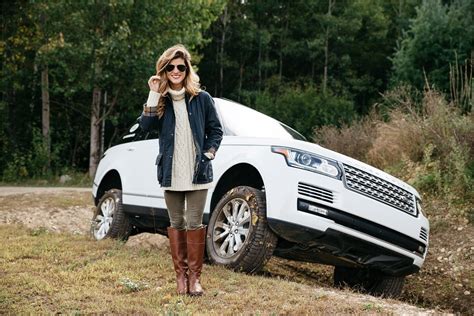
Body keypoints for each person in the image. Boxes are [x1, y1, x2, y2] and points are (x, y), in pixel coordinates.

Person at [139, 44, 223, 296]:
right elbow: (145, 126)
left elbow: (215, 131)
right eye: (170, 67)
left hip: (197, 173)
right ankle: (181, 278)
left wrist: (208, 153)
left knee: (195, 223)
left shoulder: (202, 98)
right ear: (164, 70)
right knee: (176, 223)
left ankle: (195, 279)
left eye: (180, 67)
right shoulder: (161, 101)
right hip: (171, 173)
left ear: (187, 70)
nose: (176, 71)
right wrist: (153, 94)